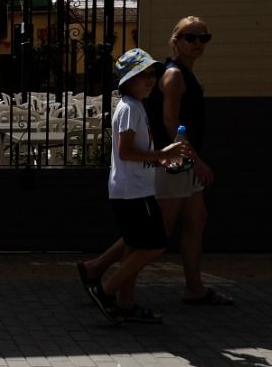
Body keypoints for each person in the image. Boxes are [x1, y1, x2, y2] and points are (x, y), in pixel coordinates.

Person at [77, 16, 233, 306]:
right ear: (176, 40)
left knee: (195, 221)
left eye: (204, 38)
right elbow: (170, 121)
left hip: (178, 158)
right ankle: (110, 282)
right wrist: (191, 159)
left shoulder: (183, 75)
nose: (197, 43)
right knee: (153, 234)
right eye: (190, 37)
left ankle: (193, 287)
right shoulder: (172, 77)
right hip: (175, 160)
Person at [83, 48, 192, 325]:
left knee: (134, 246)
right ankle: (105, 290)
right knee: (154, 245)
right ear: (127, 80)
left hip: (133, 190)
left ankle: (126, 305)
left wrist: (161, 160)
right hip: (133, 193)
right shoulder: (130, 108)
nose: (150, 80)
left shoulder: (134, 107)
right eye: (142, 75)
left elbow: (135, 154)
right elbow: (127, 151)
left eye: (152, 74)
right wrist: (163, 155)